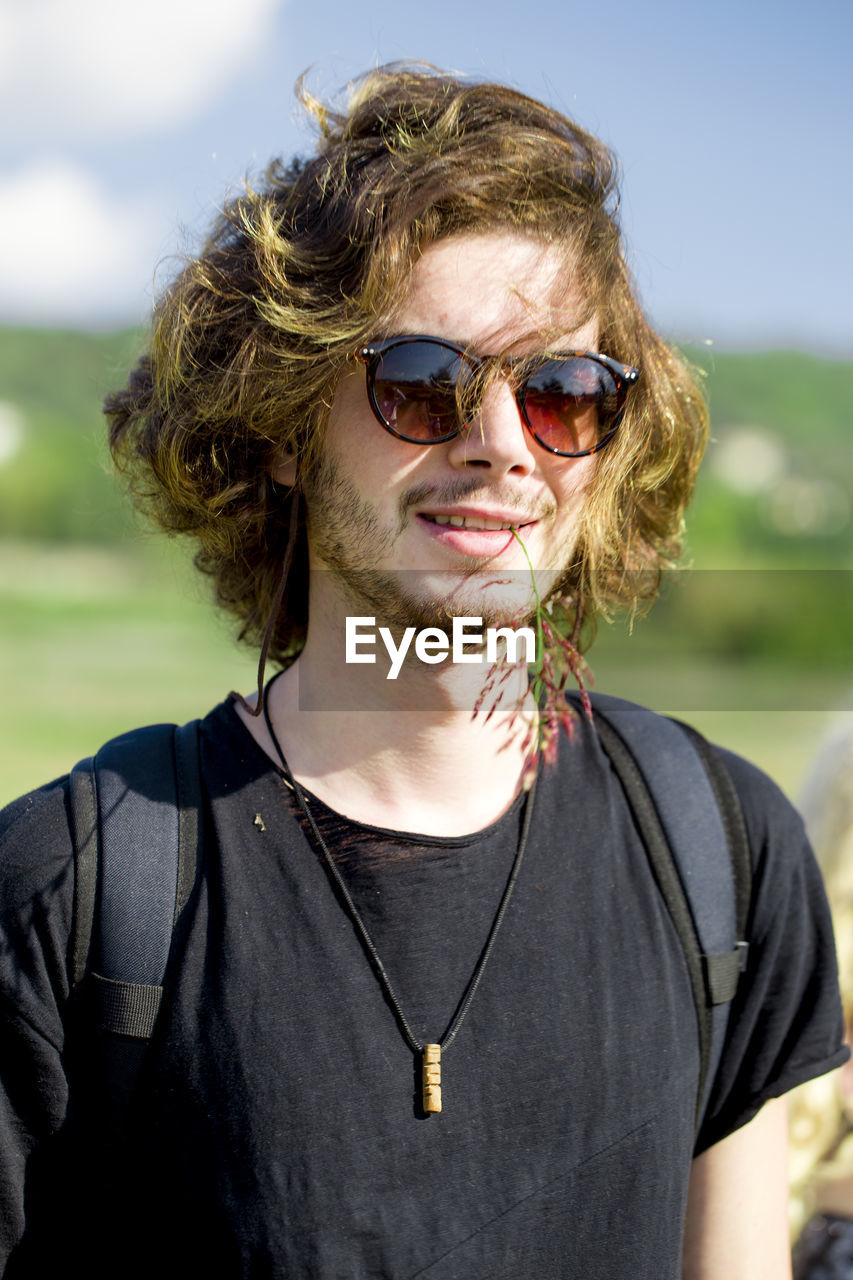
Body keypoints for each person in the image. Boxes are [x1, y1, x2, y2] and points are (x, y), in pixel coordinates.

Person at [0, 66, 846, 1279]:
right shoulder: (76, 889)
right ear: (285, 425)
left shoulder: (721, 852)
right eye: (421, 383)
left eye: (561, 394)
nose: (502, 445)